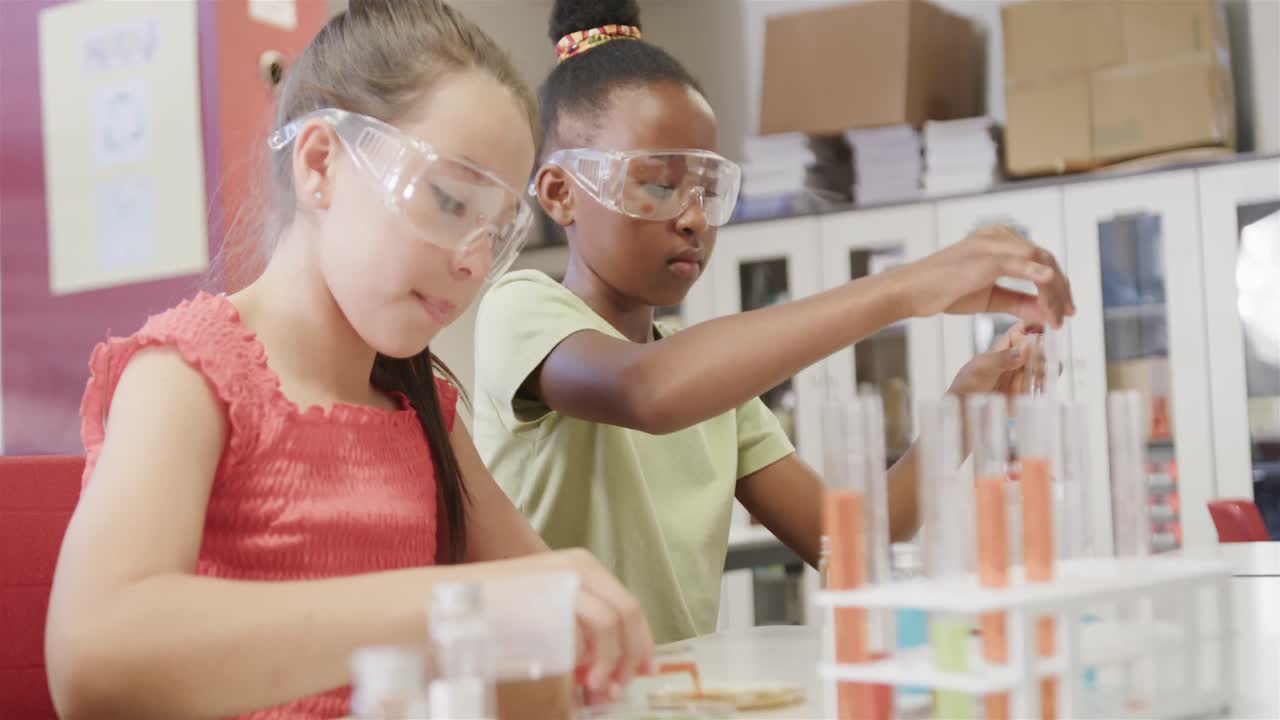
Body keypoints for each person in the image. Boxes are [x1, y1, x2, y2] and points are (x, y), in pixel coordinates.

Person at [44, 2, 653, 718]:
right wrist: (444, 607)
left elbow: (543, 639)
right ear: (320, 164)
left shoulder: (423, 410)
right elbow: (94, 656)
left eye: (498, 230)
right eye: (451, 201)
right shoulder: (187, 375)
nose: (473, 261)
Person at [473, 0, 1075, 644]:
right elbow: (646, 391)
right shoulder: (520, 308)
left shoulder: (713, 391)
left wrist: (964, 405)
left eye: (707, 190)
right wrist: (905, 288)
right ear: (561, 193)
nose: (694, 217)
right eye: (657, 184)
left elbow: (852, 538)